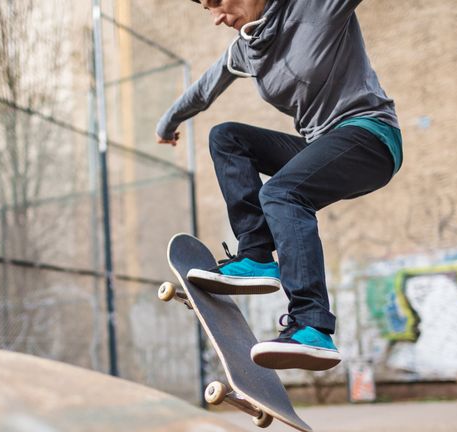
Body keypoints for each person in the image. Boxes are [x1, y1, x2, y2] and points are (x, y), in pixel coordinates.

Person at [156, 0, 402, 371]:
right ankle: (255, 255)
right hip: (320, 145)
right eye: (207, 10)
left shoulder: (317, 7)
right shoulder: (247, 49)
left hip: (369, 136)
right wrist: (167, 123)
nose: (217, 18)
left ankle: (312, 325)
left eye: (218, 3)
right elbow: (205, 90)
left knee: (282, 193)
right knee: (226, 137)